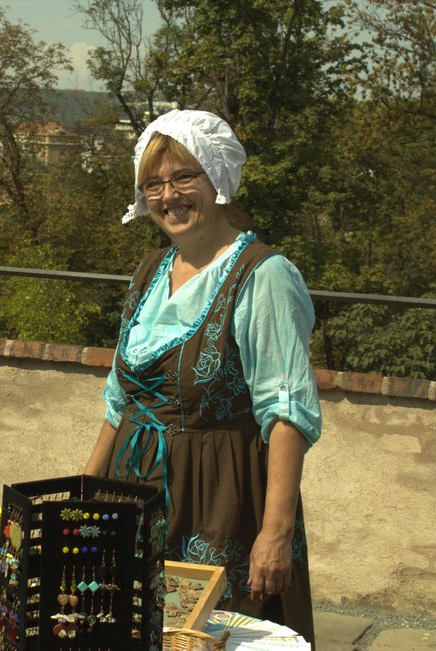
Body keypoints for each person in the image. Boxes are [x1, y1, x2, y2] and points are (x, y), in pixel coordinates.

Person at [84, 109, 321, 644]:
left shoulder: (263, 276)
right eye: (154, 184)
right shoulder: (149, 272)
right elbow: (117, 401)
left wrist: (276, 532)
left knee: (212, 635)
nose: (168, 196)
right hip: (132, 496)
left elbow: (287, 412)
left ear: (217, 178)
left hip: (219, 505)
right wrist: (85, 495)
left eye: (184, 177)